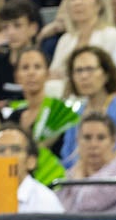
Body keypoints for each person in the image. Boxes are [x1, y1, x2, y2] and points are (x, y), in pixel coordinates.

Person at [6, 47, 76, 184]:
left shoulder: (60, 113)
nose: (31, 73)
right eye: (25, 68)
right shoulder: (13, 116)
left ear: (47, 74)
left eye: (37, 67)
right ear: (17, 76)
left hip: (55, 181)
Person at [0, 121, 66, 215]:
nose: (7, 155)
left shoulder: (46, 202)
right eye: (0, 150)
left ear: (31, 161)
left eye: (16, 149)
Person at [57, 45, 116, 170]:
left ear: (106, 74)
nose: (84, 76)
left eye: (90, 69)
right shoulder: (75, 113)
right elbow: (67, 157)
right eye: (78, 70)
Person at [59, 113, 116, 213]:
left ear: (113, 140)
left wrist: (78, 175)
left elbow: (88, 203)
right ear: (77, 141)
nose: (93, 145)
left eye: (101, 138)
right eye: (87, 138)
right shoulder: (71, 173)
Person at [48, 0, 116, 81]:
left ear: (99, 4)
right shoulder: (65, 40)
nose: (77, 2)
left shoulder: (112, 36)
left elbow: (115, 74)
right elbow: (52, 75)